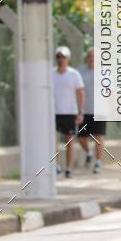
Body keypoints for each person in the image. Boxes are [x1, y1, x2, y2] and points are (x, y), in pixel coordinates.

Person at [52, 46, 84, 179]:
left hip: (70, 112)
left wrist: (80, 112)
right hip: (54, 112)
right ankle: (57, 166)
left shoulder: (74, 74)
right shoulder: (51, 73)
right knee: (53, 141)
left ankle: (69, 168)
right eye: (58, 57)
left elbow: (81, 93)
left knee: (69, 141)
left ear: (68, 59)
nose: (60, 60)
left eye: (63, 57)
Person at [77, 48, 106, 174]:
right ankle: (89, 152)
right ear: (87, 58)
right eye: (90, 56)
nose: (92, 58)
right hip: (84, 110)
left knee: (99, 137)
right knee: (82, 137)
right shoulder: (80, 71)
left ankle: (98, 163)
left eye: (94, 56)